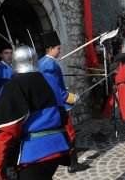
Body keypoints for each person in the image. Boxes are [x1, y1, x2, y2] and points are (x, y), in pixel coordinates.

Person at [0, 46, 71, 180]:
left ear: (15, 62)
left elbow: (7, 131)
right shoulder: (50, 79)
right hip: (58, 145)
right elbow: (63, 113)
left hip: (35, 152)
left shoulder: (14, 84)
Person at [38, 31, 89, 173]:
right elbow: (55, 90)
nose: (60, 51)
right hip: (58, 106)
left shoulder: (42, 62)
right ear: (50, 49)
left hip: (52, 104)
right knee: (69, 133)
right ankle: (73, 164)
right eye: (58, 48)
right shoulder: (49, 65)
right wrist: (71, 97)